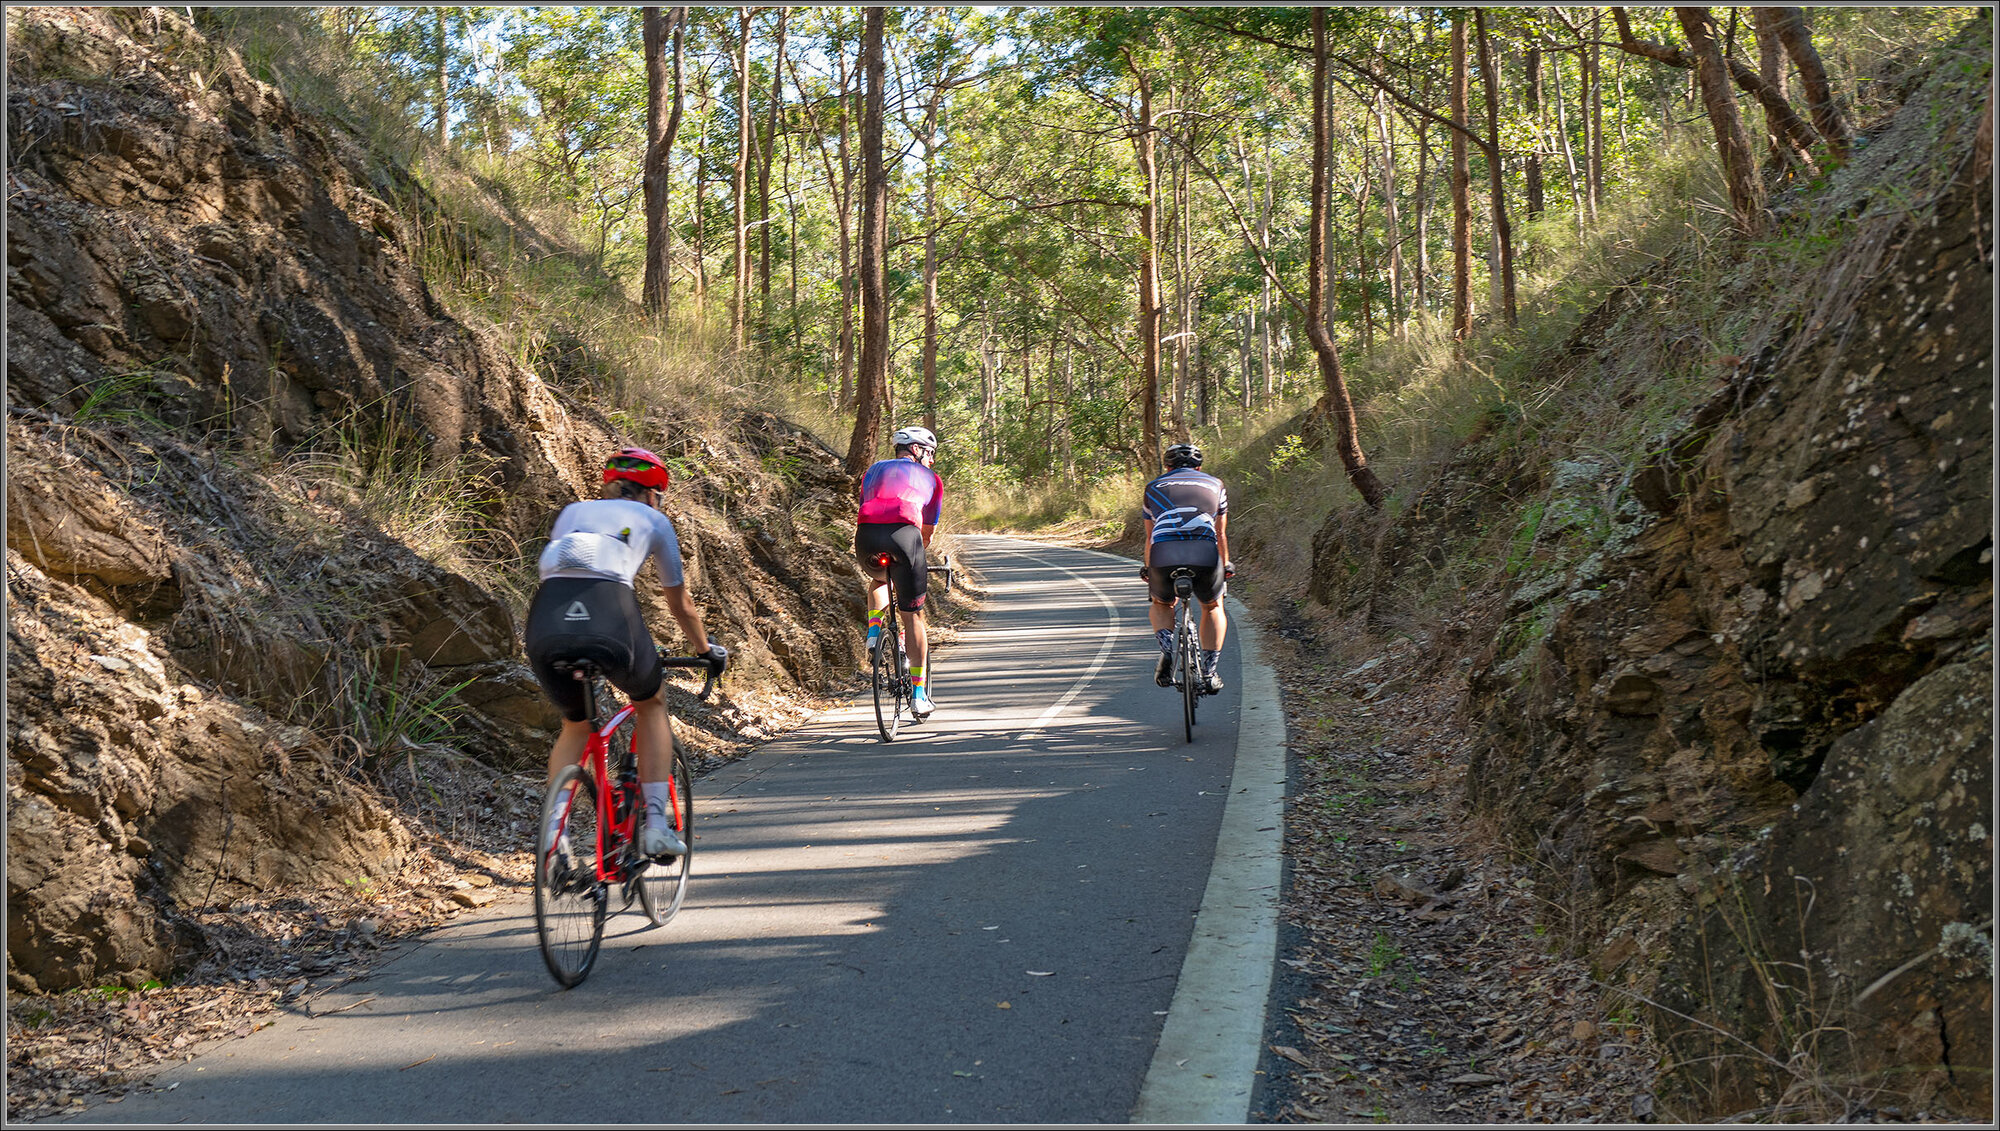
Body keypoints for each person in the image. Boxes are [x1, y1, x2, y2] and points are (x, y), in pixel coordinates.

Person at [524, 447, 727, 859]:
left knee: (575, 724)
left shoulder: (571, 511)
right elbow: (679, 605)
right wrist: (706, 650)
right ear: (654, 493)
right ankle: (654, 825)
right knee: (651, 702)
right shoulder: (655, 520)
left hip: (546, 619)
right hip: (608, 611)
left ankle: (552, 832)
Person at [856, 425, 944, 718]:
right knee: (913, 616)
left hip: (866, 539)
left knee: (879, 578)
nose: (931, 460)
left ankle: (873, 632)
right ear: (917, 451)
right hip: (906, 538)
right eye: (929, 453)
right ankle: (919, 695)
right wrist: (917, 555)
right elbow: (926, 532)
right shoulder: (931, 479)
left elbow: (865, 506)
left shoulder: (873, 470)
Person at [1140, 441, 1232, 694]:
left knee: (1161, 603)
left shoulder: (1153, 487)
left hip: (1164, 553)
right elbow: (1220, 533)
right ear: (1199, 467)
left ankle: (1167, 647)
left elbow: (1150, 537)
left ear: (1167, 467)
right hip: (1204, 552)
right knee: (1212, 605)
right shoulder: (1216, 484)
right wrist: (1225, 565)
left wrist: (1148, 568)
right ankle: (1210, 672)